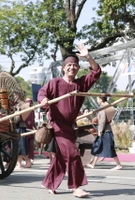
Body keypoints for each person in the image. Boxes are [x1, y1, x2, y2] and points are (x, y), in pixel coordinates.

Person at [37, 44, 101, 198]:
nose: (72, 68)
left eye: (75, 66)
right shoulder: (55, 83)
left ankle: (49, 183)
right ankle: (76, 187)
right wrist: (44, 99)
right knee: (72, 153)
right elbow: (41, 93)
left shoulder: (81, 84)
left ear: (78, 68)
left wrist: (87, 56)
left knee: (61, 156)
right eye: (69, 65)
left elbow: (96, 72)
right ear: (63, 68)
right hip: (57, 125)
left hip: (70, 126)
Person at [85, 96, 122, 170]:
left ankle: (119, 165)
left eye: (98, 99)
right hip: (105, 131)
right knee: (99, 146)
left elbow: (102, 120)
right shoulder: (105, 107)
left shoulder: (102, 108)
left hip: (105, 131)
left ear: (101, 99)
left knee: (109, 148)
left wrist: (100, 131)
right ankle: (93, 164)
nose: (97, 100)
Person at [24, 98, 36, 164]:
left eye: (30, 102)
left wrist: (35, 128)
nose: (29, 103)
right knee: (25, 145)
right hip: (25, 129)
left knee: (31, 145)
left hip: (30, 130)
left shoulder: (32, 111)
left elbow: (33, 120)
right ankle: (26, 159)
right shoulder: (23, 110)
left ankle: (31, 158)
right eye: (27, 102)